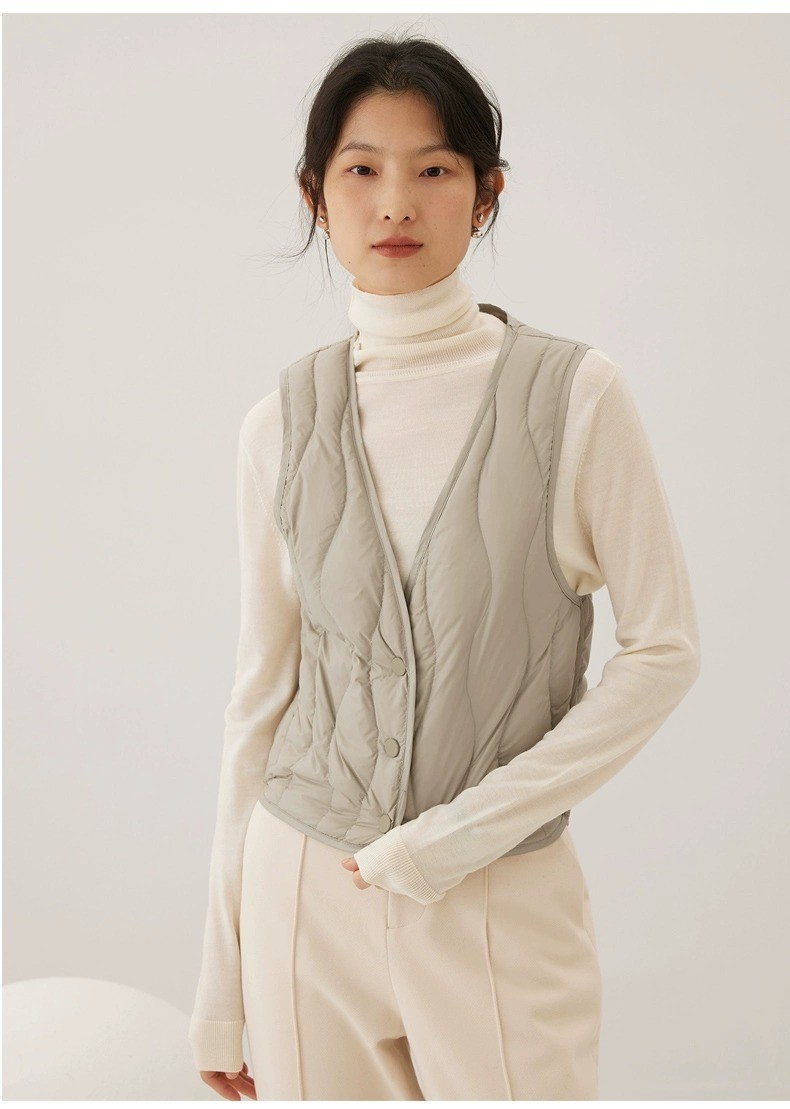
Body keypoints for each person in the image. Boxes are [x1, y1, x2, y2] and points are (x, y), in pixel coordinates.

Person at [188, 32, 701, 1102]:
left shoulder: (576, 397)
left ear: (486, 195)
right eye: (361, 170)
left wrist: (461, 832)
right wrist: (220, 979)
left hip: (497, 896)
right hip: (299, 896)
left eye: (433, 169)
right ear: (316, 195)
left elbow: (663, 652)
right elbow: (260, 698)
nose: (395, 204)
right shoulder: (279, 424)